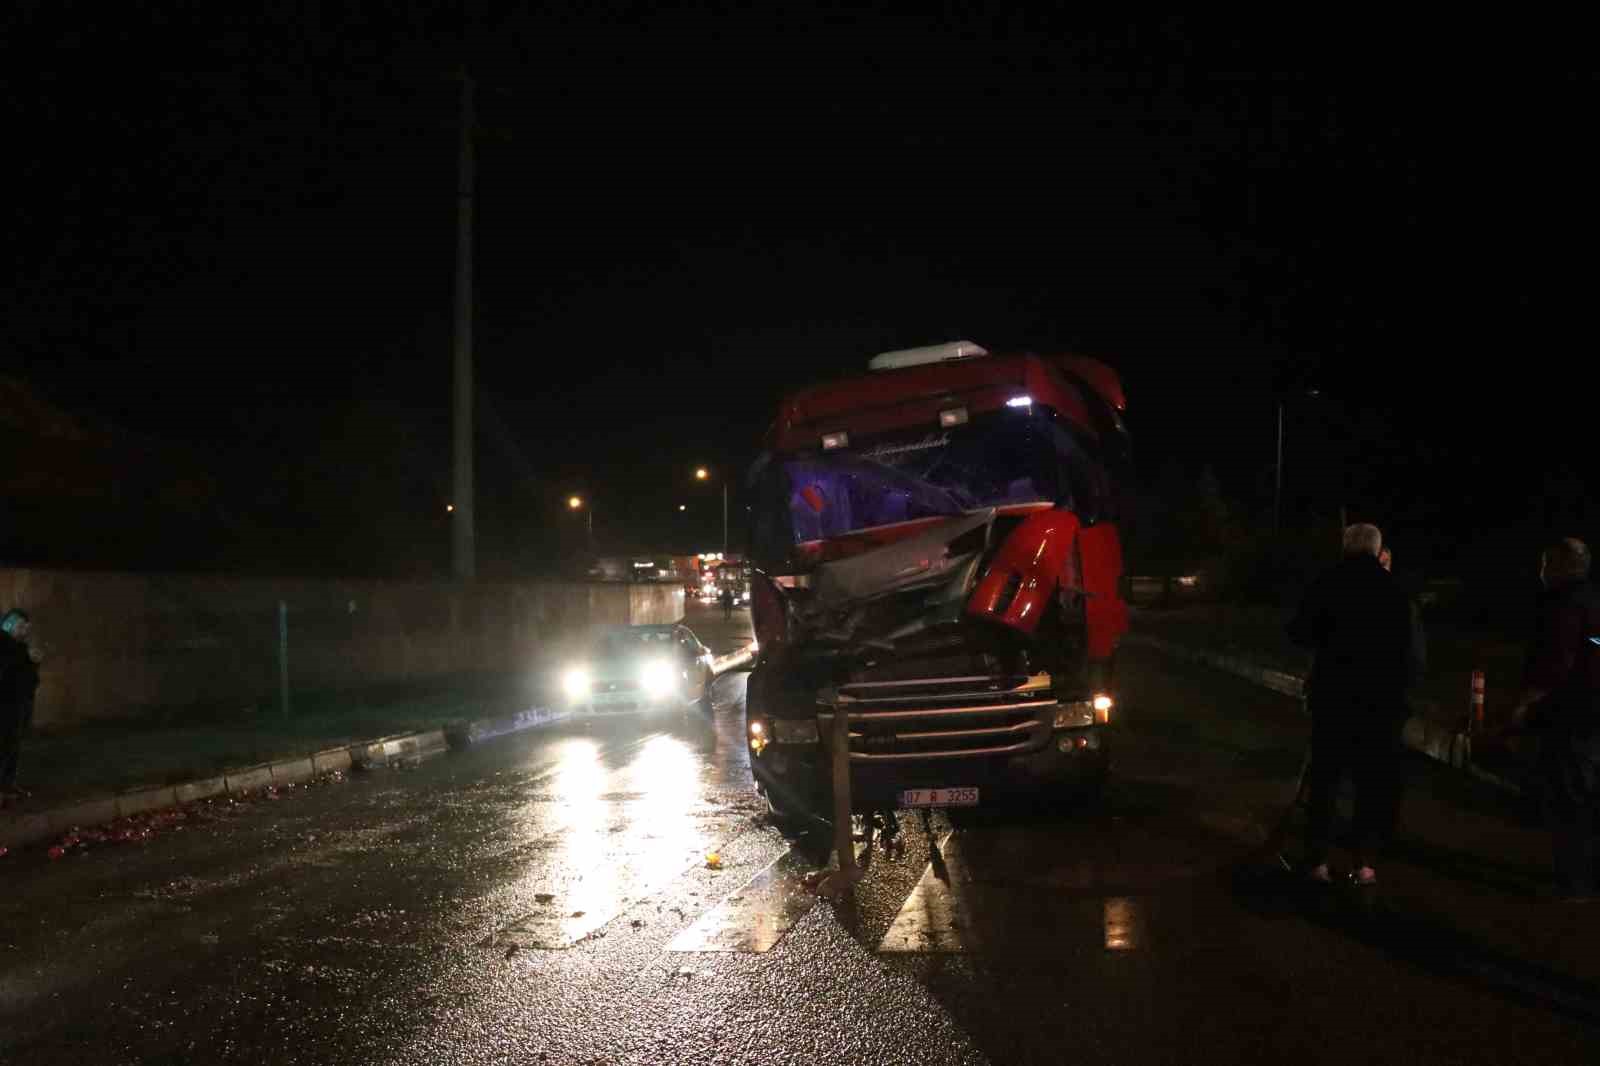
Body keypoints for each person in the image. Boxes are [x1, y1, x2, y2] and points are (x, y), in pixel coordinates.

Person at [1287, 524, 1417, 886]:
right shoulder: (1396, 590)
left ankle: (1317, 862)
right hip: (1381, 704)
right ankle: (1364, 864)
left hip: (1334, 699)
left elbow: (1298, 632)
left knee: (1325, 781)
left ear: (1346, 547)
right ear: (1377, 551)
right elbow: (1411, 652)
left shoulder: (1327, 583)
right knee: (1370, 784)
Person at [1505, 538, 1598, 901]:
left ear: (1561, 566)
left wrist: (1525, 710)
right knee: (1589, 798)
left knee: (1569, 801)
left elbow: (1554, 667)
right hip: (1592, 717)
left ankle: (1575, 883)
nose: (1540, 571)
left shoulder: (1562, 606)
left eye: (1545, 563)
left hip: (1570, 717)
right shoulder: (1594, 600)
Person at [0, 608, 42, 806]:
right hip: (6, 705)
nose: (25, 630)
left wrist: (33, 663)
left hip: (19, 703)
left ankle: (7, 784)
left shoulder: (20, 647)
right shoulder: (7, 647)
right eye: (21, 626)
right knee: (5, 746)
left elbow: (29, 678)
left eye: (26, 626)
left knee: (13, 745)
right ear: (9, 625)